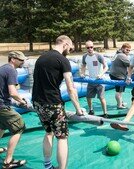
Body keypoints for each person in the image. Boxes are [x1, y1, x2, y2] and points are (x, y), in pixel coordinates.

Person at [32, 35, 85, 169]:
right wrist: (78, 109)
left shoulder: (40, 58)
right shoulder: (62, 60)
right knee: (62, 138)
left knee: (49, 133)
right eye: (70, 48)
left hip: (37, 102)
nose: (70, 51)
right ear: (66, 44)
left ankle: (47, 165)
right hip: (53, 103)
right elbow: (70, 87)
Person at [0, 51, 27, 168]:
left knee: (2, 126)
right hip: (2, 105)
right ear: (12, 59)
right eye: (21, 60)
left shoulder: (3, 68)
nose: (23, 62)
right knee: (19, 126)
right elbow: (13, 92)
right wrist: (22, 101)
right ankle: (8, 161)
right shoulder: (11, 70)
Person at [80, 40, 108, 117]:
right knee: (88, 97)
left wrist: (101, 74)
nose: (90, 49)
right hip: (91, 80)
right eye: (88, 47)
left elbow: (106, 67)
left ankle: (105, 113)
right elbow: (83, 66)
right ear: (86, 48)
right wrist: (82, 73)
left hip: (100, 81)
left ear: (93, 47)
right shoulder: (84, 56)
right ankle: (91, 110)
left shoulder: (98, 56)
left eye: (91, 47)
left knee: (101, 98)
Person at [109, 43, 131, 109]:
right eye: (127, 50)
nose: (128, 51)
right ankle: (119, 105)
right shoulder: (122, 55)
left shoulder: (118, 53)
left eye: (129, 50)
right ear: (122, 49)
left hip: (113, 74)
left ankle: (120, 102)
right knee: (119, 91)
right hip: (118, 76)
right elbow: (131, 64)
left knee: (119, 91)